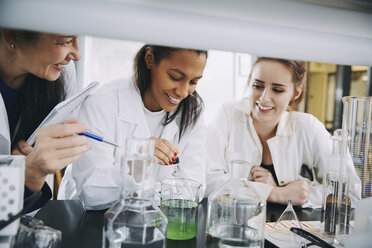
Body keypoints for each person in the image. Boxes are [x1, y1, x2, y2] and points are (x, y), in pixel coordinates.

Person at [59, 45, 208, 210]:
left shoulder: (192, 110)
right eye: (174, 77)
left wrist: (147, 189)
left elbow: (195, 188)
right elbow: (92, 193)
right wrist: (137, 161)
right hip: (87, 217)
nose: (183, 92)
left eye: (194, 82)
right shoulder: (101, 103)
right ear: (150, 59)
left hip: (153, 218)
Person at [206, 57, 361, 208]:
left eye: (277, 90)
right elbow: (207, 181)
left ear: (296, 93)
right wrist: (274, 193)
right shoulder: (227, 115)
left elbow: (350, 191)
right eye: (257, 86)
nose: (264, 98)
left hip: (291, 231)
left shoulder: (308, 127)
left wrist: (302, 194)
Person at [0, 28, 90, 212]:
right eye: (65, 41)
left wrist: (32, 170)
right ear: (12, 35)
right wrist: (26, 171)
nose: (77, 54)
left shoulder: (59, 73)